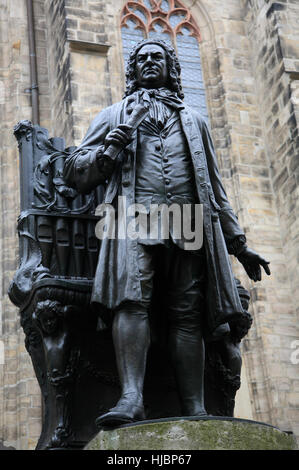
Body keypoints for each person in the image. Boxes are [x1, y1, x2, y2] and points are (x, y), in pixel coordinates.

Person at [64, 39, 270, 426]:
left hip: (187, 218)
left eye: (157, 56)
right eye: (141, 58)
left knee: (187, 313)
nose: (149, 62)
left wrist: (239, 245)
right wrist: (110, 149)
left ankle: (195, 408)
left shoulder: (195, 122)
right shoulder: (112, 116)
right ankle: (131, 398)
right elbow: (74, 172)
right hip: (130, 217)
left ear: (171, 67)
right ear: (133, 70)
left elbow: (213, 187)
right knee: (130, 301)